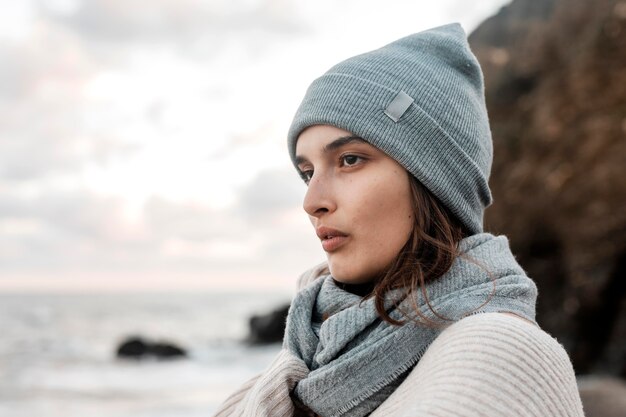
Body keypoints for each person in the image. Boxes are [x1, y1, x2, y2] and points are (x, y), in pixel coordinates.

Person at [214, 23, 585, 417]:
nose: (312, 201)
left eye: (350, 159)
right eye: (308, 173)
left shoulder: (499, 353)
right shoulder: (306, 361)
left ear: (433, 178)